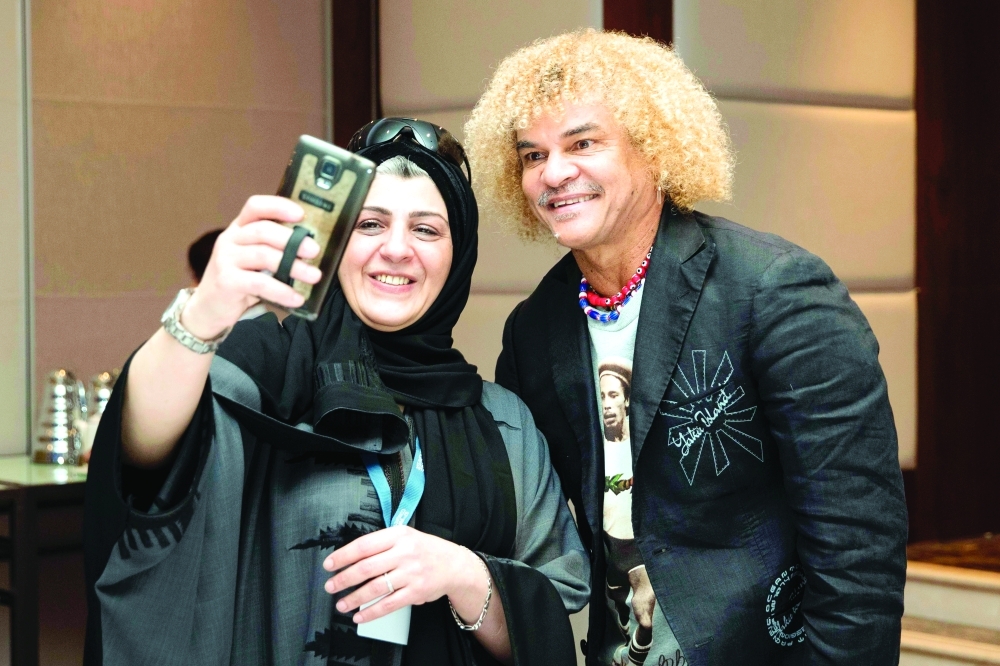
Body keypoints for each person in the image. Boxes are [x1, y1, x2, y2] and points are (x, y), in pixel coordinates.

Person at [464, 29, 908, 665]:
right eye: (533, 155)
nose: (554, 173)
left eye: (583, 143)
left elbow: (858, 544)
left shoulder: (774, 290)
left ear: (654, 146)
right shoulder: (535, 330)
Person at [83, 118, 589, 666]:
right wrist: (203, 314)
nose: (396, 249)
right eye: (370, 224)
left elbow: (545, 630)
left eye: (426, 230)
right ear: (336, 242)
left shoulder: (503, 421)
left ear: (459, 253)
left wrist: (465, 576)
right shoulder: (267, 370)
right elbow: (144, 461)